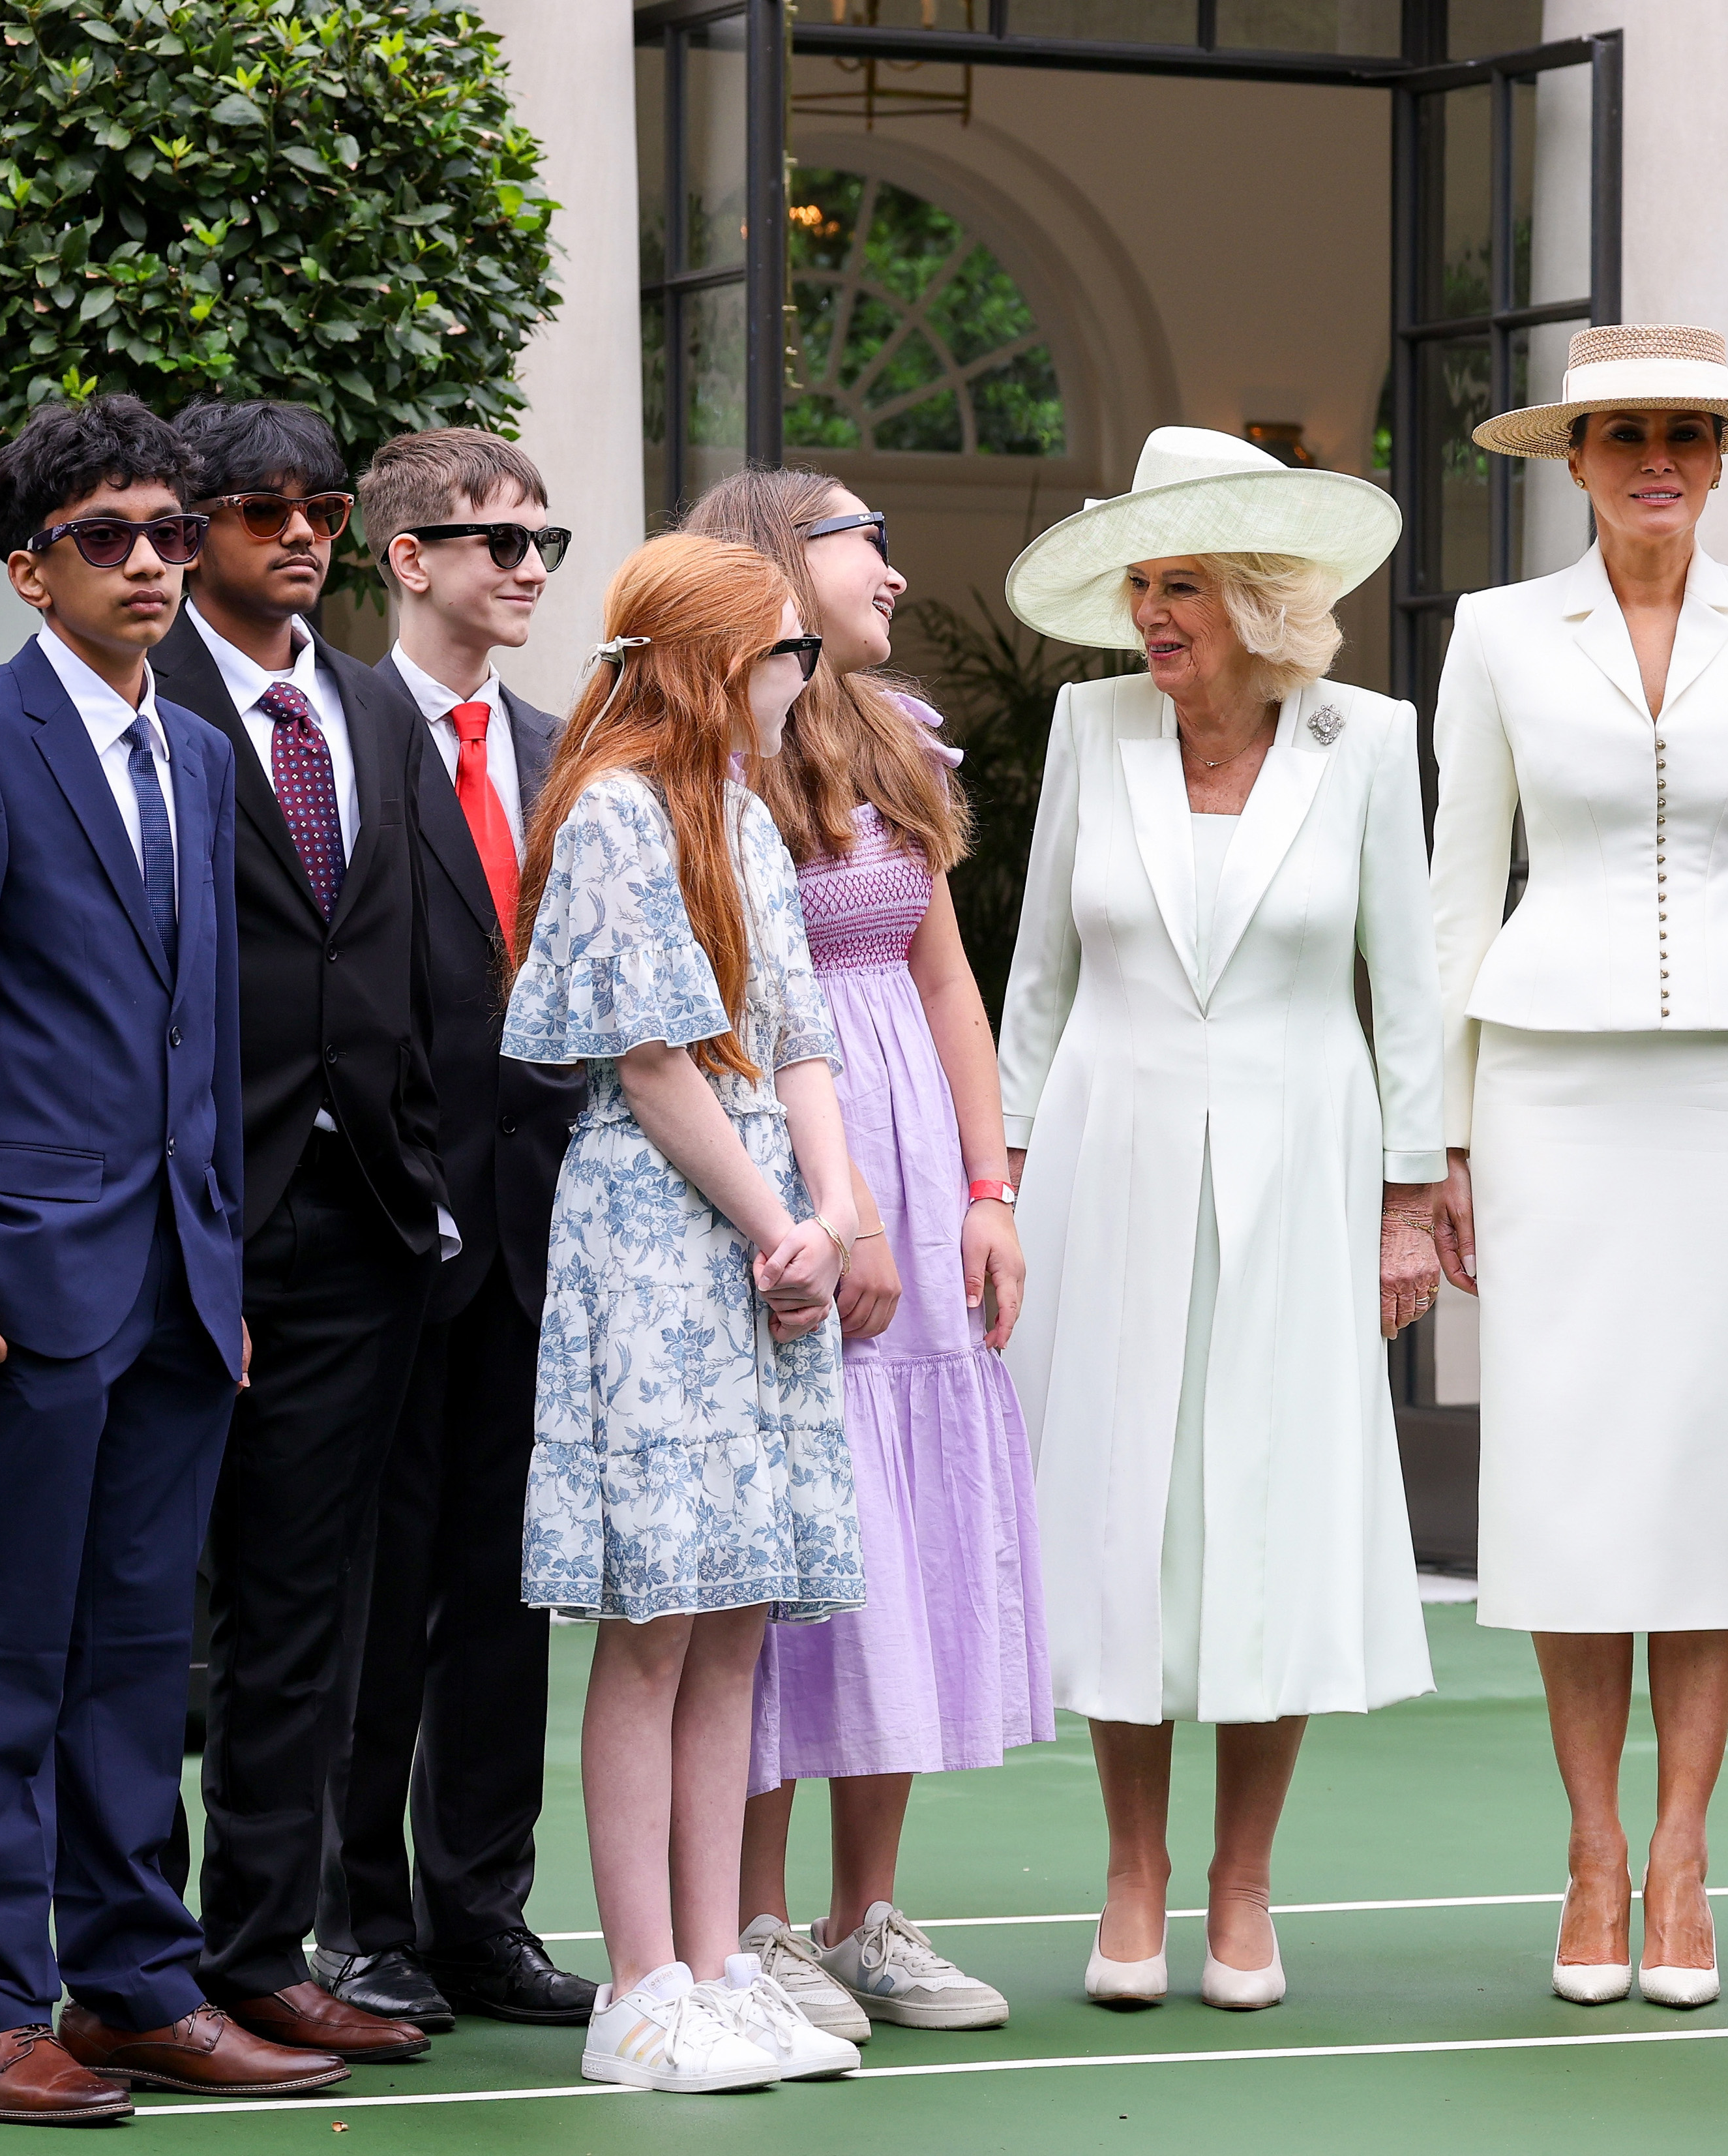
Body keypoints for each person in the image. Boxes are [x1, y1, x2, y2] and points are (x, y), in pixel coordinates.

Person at [0, 395, 350, 2118]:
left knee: (149, 1657)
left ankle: (136, 1986)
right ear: (31, 569)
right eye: (107, 538)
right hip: (17, 1284)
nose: (150, 562)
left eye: (168, 531)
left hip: (175, 1289)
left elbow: (199, 1032)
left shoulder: (202, 756)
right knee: (4, 1656)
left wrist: (217, 1274)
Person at [1433, 323, 1728, 2007]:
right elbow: (1458, 884)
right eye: (1624, 435)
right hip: (1547, 1086)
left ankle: (1682, 1852)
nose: (1659, 459)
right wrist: (1438, 1134)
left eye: (1688, 431)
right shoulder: (1494, 634)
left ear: (1723, 457)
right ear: (1574, 459)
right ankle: (1591, 1849)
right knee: (1568, 1467)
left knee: (1712, 1471)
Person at [998, 426, 1439, 2013]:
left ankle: (1241, 1886)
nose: (1149, 614)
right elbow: (1037, 978)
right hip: (1102, 1163)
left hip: (1302, 1167)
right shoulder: (1089, 726)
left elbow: (1407, 987)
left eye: (1179, 584)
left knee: (1267, 1511)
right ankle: (1131, 1876)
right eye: (1140, 584)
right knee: (1124, 1508)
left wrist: (1407, 1204)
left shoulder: (1365, 739)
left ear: (1256, 597)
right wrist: (997, 1184)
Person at [502, 533, 868, 2093]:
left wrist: (831, 1217)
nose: (805, 677)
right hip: (660, 1236)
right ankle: (640, 1989)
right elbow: (654, 1065)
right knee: (654, 1626)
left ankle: (716, 1967)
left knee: (731, 1621)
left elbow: (800, 1039)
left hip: (759, 1230)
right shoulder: (615, 809)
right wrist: (784, 1228)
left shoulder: (741, 812)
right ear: (720, 661)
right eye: (789, 651)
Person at [686, 468, 1045, 2042]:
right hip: (783, 1162)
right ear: (780, 560)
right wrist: (840, 1216)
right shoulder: (709, 755)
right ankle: (750, 1921)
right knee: (789, 1539)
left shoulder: (895, 740)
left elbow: (947, 982)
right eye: (862, 543)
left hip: (913, 1150)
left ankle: (865, 1915)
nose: (893, 572)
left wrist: (985, 1186)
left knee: (902, 1526)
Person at [147, 398, 450, 2068]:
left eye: (321, 508)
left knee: (302, 1615)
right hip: (186, 1216)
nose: (301, 536)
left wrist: (424, 1170)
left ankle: (257, 1953)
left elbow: (420, 956)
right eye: (261, 510)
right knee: (141, 1615)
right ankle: (131, 1970)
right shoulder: (148, 698)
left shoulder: (370, 708)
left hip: (362, 1222)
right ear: (192, 526)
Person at [312, 428, 597, 2033]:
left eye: (543, 542)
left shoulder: (565, 749)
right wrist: (388, 1183)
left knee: (504, 1589)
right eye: (498, 542)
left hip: (540, 1230)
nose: (529, 568)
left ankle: (481, 1916)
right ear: (406, 558)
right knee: (371, 1593)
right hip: (377, 1227)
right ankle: (358, 1925)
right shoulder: (332, 733)